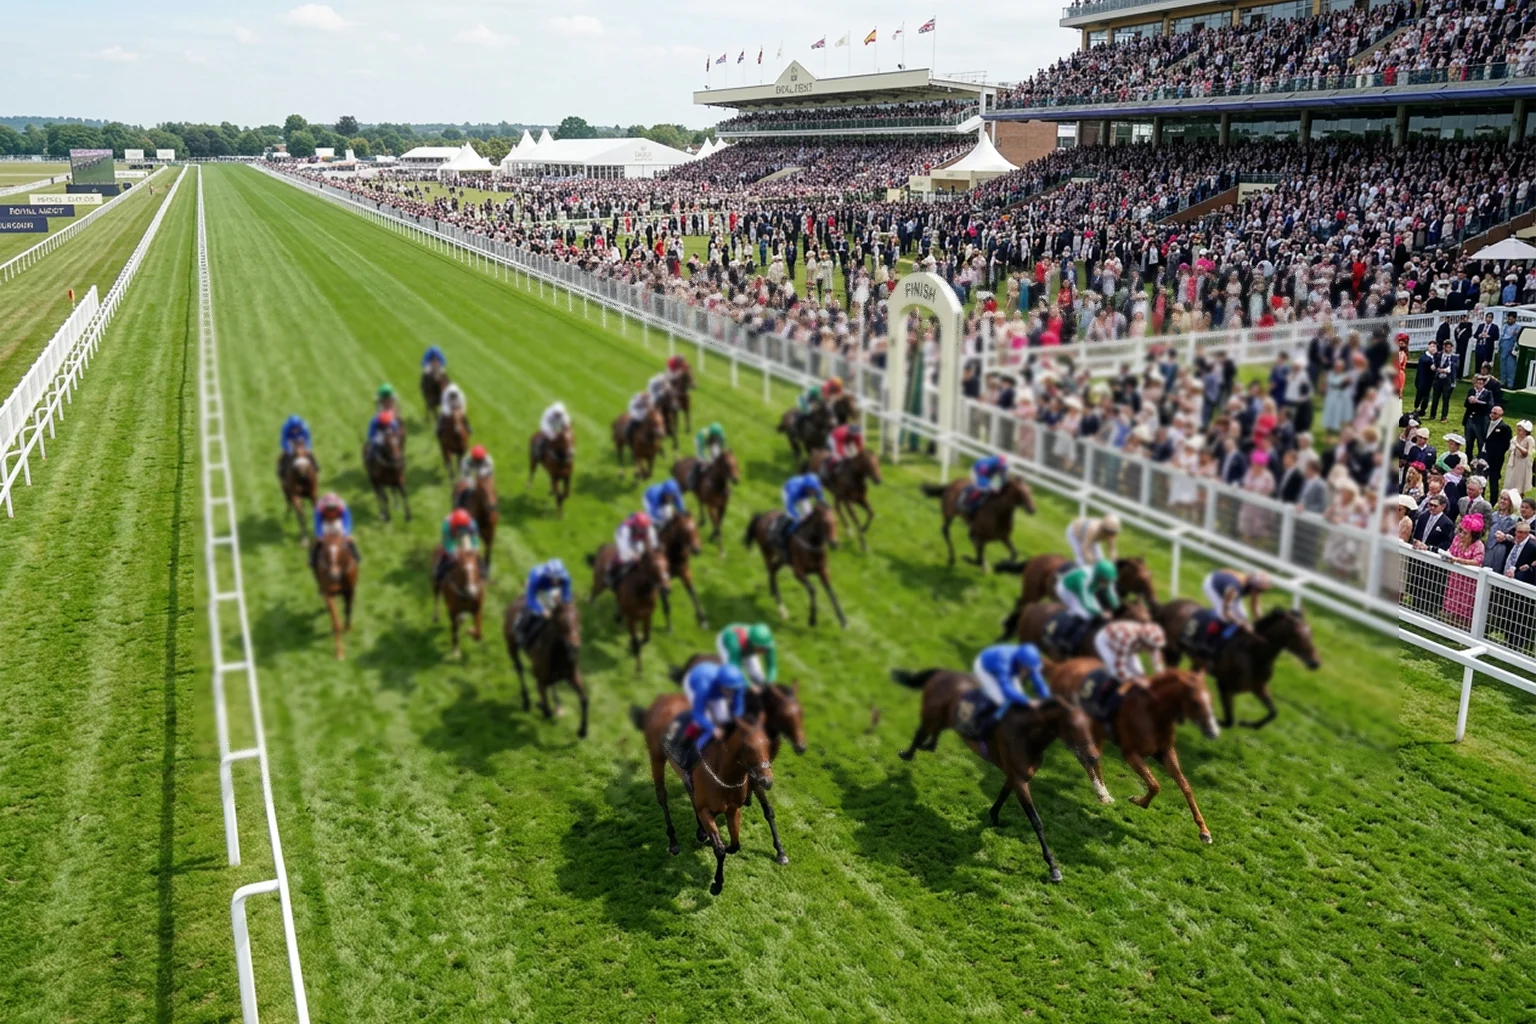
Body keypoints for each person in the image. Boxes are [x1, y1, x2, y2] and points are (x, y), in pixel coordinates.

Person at [972, 643, 1053, 729]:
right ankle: (985, 724)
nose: (1030, 672)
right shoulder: (1004, 661)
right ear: (1021, 664)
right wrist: (1028, 701)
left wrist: (1049, 700)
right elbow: (1007, 689)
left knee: (1018, 698)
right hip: (985, 669)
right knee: (1002, 701)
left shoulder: (1028, 663)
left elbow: (1039, 682)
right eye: (1028, 669)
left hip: (1007, 671)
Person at [682, 661, 749, 755]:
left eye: (734, 690)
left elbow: (738, 708)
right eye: (729, 689)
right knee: (702, 722)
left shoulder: (737, 686)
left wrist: (738, 721)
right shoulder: (704, 687)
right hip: (694, 683)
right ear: (720, 684)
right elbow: (698, 714)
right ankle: (687, 744)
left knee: (724, 718)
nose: (732, 693)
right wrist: (713, 729)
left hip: (715, 690)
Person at [513, 558, 573, 647]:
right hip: (538, 588)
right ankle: (520, 628)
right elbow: (531, 599)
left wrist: (565, 603)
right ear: (548, 576)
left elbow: (566, 593)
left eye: (558, 578)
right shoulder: (537, 577)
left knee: (556, 608)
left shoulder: (565, 578)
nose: (557, 581)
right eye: (555, 579)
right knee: (534, 612)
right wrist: (542, 610)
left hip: (551, 590)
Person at [1093, 619, 1166, 685]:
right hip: (1106, 641)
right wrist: (1133, 679)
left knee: (1139, 672)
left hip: (1126, 646)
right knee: (1115, 673)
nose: (1153, 650)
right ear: (1144, 642)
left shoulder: (1148, 641)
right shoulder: (1127, 639)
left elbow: (1157, 659)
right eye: (1151, 647)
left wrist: (1160, 674)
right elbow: (1119, 665)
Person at [1202, 568, 1271, 626]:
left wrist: (1263, 623)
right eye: (1259, 590)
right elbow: (1226, 612)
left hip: (1229, 589)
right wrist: (1240, 623)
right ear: (1252, 587)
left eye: (1261, 591)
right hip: (1212, 585)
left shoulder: (1253, 587)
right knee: (1225, 619)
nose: (1259, 593)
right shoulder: (1234, 588)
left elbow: (1255, 607)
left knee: (1244, 617)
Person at [716, 621, 778, 685]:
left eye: (764, 649)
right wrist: (750, 686)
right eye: (760, 648)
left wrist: (771, 681)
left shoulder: (768, 644)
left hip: (747, 646)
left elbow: (772, 665)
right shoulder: (735, 646)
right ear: (752, 643)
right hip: (726, 640)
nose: (763, 651)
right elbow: (736, 668)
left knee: (758, 676)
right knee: (732, 674)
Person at [309, 492, 358, 570]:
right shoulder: (319, 507)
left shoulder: (342, 505)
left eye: (333, 508)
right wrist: (320, 535)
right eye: (329, 509)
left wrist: (346, 533)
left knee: (350, 539)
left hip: (338, 521)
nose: (331, 511)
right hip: (325, 522)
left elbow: (347, 520)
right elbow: (317, 523)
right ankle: (312, 559)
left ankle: (356, 554)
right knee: (317, 541)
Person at [434, 508, 480, 587]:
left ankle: (484, 573)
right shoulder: (446, 526)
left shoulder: (472, 524)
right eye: (459, 529)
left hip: (466, 535)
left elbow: (475, 541)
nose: (460, 532)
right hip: (451, 537)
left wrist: (473, 550)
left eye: (463, 529)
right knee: (445, 557)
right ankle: (438, 575)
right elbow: (448, 545)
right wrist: (455, 554)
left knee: (474, 558)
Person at [613, 510, 657, 578]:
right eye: (641, 528)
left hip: (637, 539)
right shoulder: (626, 528)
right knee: (624, 557)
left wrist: (653, 552)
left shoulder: (649, 528)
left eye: (644, 528)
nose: (643, 530)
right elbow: (624, 547)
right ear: (635, 525)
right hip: (622, 537)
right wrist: (633, 556)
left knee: (641, 551)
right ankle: (611, 571)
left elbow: (654, 543)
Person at [1506, 420, 1534, 497]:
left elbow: (1526, 454)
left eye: (1520, 430)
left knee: (1519, 485)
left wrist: (1517, 445)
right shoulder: (1514, 438)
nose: (1518, 432)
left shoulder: (1529, 439)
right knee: (1510, 483)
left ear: (1526, 431)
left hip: (1522, 464)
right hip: (1514, 462)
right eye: (1517, 429)